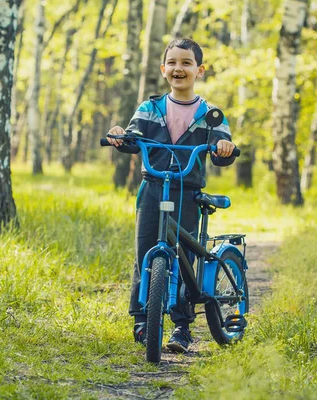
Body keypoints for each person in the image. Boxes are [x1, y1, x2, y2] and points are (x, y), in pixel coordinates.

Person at [106, 38, 236, 353]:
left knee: (186, 256)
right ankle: (142, 319)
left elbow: (223, 149)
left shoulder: (210, 115)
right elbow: (134, 137)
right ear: (164, 69)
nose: (179, 68)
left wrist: (224, 148)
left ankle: (181, 325)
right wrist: (120, 135)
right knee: (145, 250)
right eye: (173, 63)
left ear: (199, 71)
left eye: (187, 63)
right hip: (152, 188)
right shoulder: (149, 109)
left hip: (187, 191)